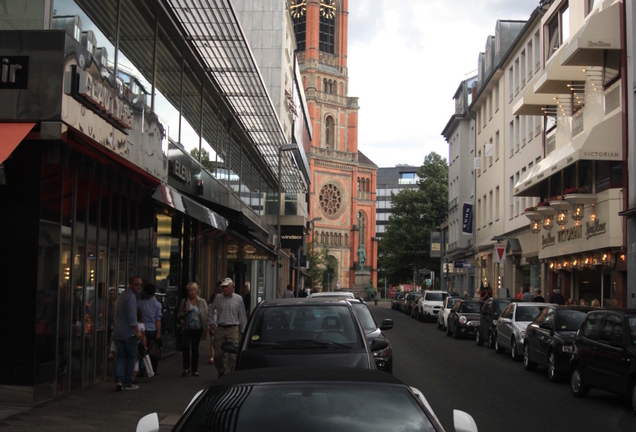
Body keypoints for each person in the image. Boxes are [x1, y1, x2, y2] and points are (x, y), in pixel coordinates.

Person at [208, 278, 247, 377]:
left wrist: (244, 331)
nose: (224, 289)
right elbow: (211, 310)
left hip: (233, 328)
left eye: (226, 287)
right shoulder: (218, 298)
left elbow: (242, 315)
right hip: (220, 328)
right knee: (217, 355)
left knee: (233, 355)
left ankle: (230, 374)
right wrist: (211, 323)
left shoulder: (238, 299)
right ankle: (221, 370)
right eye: (223, 287)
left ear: (232, 286)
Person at [114, 276, 144, 391]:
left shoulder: (122, 296)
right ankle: (127, 382)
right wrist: (137, 331)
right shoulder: (131, 297)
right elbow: (132, 318)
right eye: (137, 284)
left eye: (140, 285)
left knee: (121, 357)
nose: (139, 287)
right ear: (130, 285)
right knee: (131, 357)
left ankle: (118, 380)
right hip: (128, 333)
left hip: (118, 332)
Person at [179, 282, 209, 377]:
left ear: (196, 291)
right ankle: (186, 368)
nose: (190, 293)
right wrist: (181, 319)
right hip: (187, 327)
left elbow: (206, 314)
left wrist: (206, 327)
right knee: (186, 346)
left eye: (192, 291)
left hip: (198, 328)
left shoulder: (202, 302)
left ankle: (194, 369)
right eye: (189, 291)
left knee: (195, 348)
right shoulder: (184, 301)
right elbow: (180, 313)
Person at [138, 283, 162, 375]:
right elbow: (158, 319)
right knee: (153, 350)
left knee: (142, 349)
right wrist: (158, 332)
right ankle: (153, 369)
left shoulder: (139, 303)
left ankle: (142, 368)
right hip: (152, 329)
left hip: (142, 329)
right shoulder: (157, 304)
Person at [132, 308, 148, 384]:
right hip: (137, 344)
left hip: (129, 343)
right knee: (136, 361)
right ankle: (133, 377)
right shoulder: (141, 325)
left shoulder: (129, 323)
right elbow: (144, 336)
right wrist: (145, 345)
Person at [208, 281, 222, 365]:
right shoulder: (212, 307)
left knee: (219, 340)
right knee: (213, 339)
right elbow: (210, 313)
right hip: (214, 324)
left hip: (220, 324)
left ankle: (218, 353)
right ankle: (213, 356)